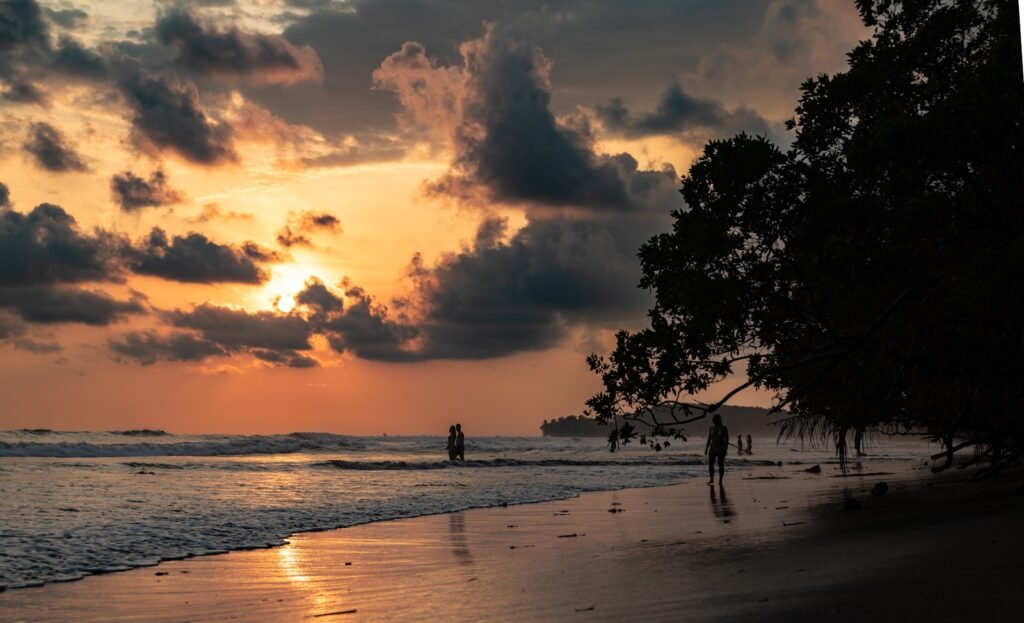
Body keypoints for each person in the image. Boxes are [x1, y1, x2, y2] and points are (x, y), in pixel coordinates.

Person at [704, 414, 729, 485]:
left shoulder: (724, 428)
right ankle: (711, 479)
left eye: (715, 419)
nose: (713, 420)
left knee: (720, 464)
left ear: (719, 419)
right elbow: (709, 439)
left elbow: (726, 439)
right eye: (713, 419)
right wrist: (706, 448)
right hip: (712, 448)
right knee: (710, 464)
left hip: (721, 448)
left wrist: (725, 449)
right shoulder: (711, 428)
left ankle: (720, 480)